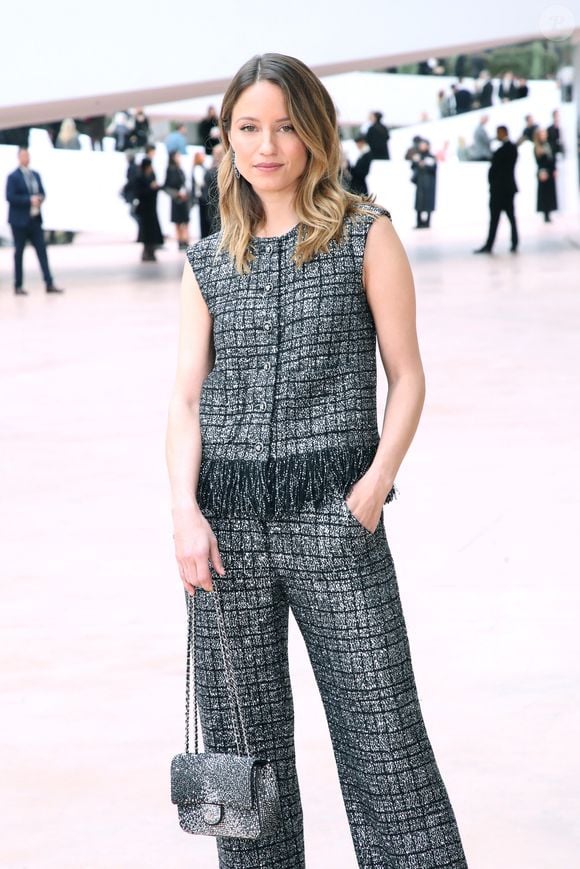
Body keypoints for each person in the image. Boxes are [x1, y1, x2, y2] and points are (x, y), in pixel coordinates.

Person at [165, 52, 467, 869]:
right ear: (228, 137)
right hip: (225, 539)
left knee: (386, 743)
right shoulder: (208, 260)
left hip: (334, 520)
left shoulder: (365, 233)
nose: (267, 145)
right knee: (243, 759)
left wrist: (371, 491)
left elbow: (407, 375)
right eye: (249, 127)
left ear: (315, 133)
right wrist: (185, 515)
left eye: (286, 126)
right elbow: (186, 399)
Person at [5, 147, 64, 294]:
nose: (26, 158)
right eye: (23, 156)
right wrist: (28, 200)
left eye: (28, 155)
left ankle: (49, 282)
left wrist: (39, 199)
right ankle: (18, 285)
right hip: (19, 221)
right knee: (19, 253)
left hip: (35, 219)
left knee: (42, 251)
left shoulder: (35, 175)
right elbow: (10, 197)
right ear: (19, 157)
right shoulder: (13, 177)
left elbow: (42, 192)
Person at [474, 125, 519, 254]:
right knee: (505, 218)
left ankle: (495, 244)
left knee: (502, 218)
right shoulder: (509, 148)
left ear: (503, 132)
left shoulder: (506, 149)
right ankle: (508, 243)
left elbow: (496, 168)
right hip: (504, 189)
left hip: (501, 190)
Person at [134, 157, 163, 261]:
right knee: (146, 232)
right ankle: (146, 252)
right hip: (144, 209)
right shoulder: (140, 177)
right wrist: (150, 188)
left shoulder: (151, 175)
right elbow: (139, 192)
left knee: (152, 231)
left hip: (152, 208)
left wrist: (155, 188)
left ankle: (151, 251)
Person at [163, 150, 190, 249]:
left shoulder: (179, 169)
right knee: (178, 221)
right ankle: (180, 240)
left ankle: (184, 239)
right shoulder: (170, 169)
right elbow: (166, 186)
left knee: (185, 220)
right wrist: (176, 194)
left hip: (183, 198)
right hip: (176, 199)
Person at [410, 138, 437, 228]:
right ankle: (419, 223)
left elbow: (433, 169)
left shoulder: (431, 157)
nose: (422, 147)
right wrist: (417, 162)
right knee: (419, 203)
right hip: (420, 184)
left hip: (429, 184)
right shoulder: (417, 156)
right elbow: (412, 167)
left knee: (428, 203)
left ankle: (427, 223)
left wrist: (424, 165)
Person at [534, 129, 558, 222]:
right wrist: (542, 171)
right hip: (543, 172)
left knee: (550, 194)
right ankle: (545, 214)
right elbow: (539, 161)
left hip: (550, 172)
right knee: (544, 194)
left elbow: (552, 158)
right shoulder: (537, 147)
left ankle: (549, 213)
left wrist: (554, 169)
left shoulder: (548, 145)